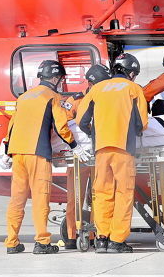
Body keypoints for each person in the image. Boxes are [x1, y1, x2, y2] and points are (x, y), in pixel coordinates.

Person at [0, 60, 77, 255]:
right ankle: (42, 242)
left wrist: (7, 148)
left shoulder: (24, 97)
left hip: (18, 153)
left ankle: (12, 242)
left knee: (17, 199)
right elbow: (61, 127)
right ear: (56, 78)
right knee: (41, 198)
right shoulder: (52, 96)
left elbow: (12, 126)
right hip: (38, 153)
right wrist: (75, 145)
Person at [75, 53, 148, 253]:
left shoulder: (96, 89)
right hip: (124, 149)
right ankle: (117, 241)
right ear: (131, 73)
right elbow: (142, 122)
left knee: (102, 193)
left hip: (101, 151)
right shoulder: (134, 89)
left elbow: (81, 119)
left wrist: (94, 134)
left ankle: (101, 239)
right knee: (123, 194)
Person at [61, 64, 111, 250]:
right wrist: (74, 147)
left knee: (98, 195)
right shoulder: (76, 100)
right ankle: (72, 235)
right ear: (90, 83)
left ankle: (95, 234)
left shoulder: (107, 97)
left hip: (100, 153)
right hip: (80, 155)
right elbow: (64, 124)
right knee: (75, 196)